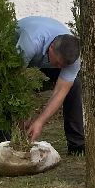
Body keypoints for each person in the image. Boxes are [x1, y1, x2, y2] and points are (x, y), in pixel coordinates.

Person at [12, 16, 84, 155]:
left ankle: (77, 146)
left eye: (63, 66)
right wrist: (23, 113)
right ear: (51, 47)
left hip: (43, 56)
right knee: (4, 88)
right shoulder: (31, 42)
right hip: (16, 52)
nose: (60, 67)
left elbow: (61, 91)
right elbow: (14, 81)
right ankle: (6, 142)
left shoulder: (73, 56)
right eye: (58, 64)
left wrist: (40, 122)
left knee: (74, 85)